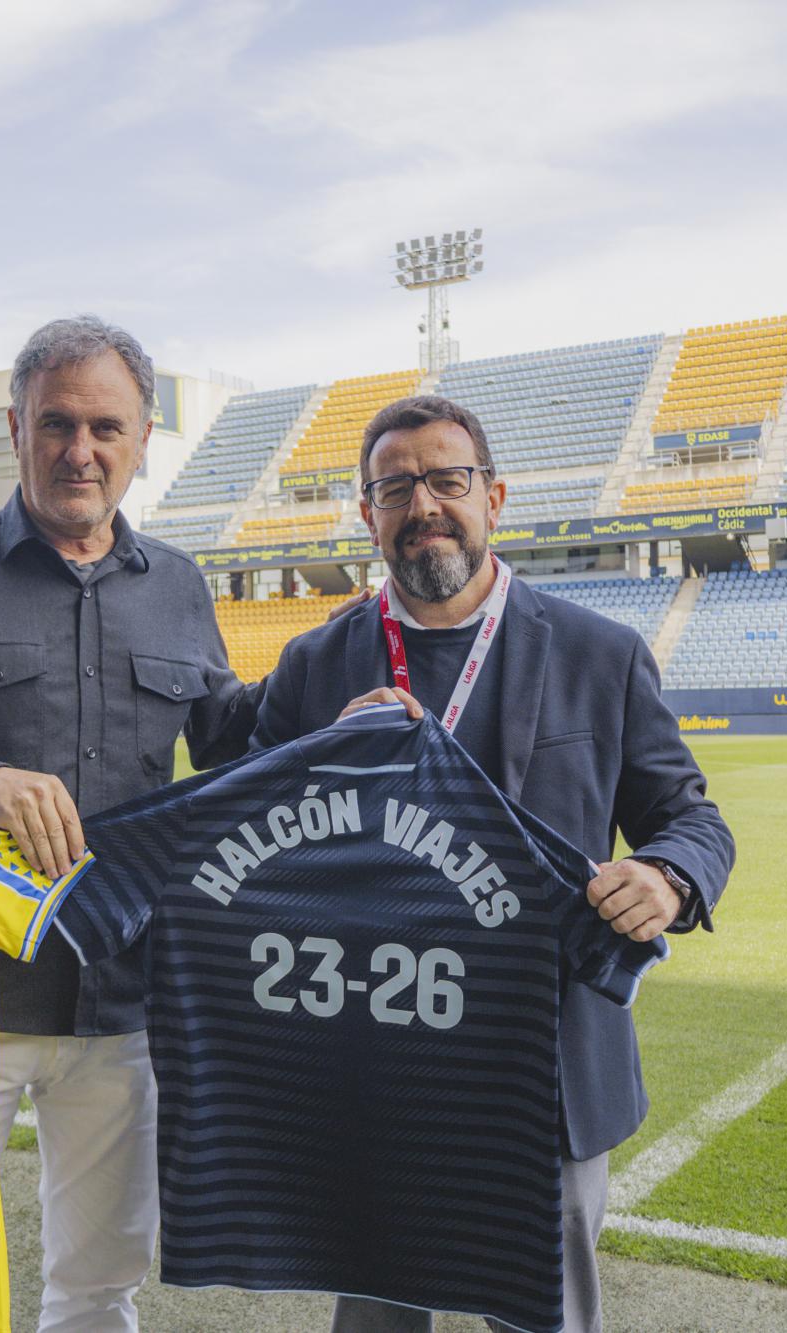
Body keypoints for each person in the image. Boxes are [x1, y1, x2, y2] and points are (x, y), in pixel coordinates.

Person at [250, 395, 735, 1333]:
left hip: (543, 1071)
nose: (423, 504)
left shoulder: (600, 653)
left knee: (543, 1317)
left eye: (447, 479)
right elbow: (252, 843)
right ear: (368, 513)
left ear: (494, 497)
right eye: (396, 488)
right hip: (373, 1064)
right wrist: (314, 770)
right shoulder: (314, 664)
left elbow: (689, 817)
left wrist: (668, 876)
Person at [0, 315, 259, 1331]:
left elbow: (230, 740)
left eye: (106, 428)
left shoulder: (180, 587)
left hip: (122, 998)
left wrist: (344, 696)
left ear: (142, 439)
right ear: (17, 428)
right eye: (57, 424)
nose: (81, 451)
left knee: (100, 1284)